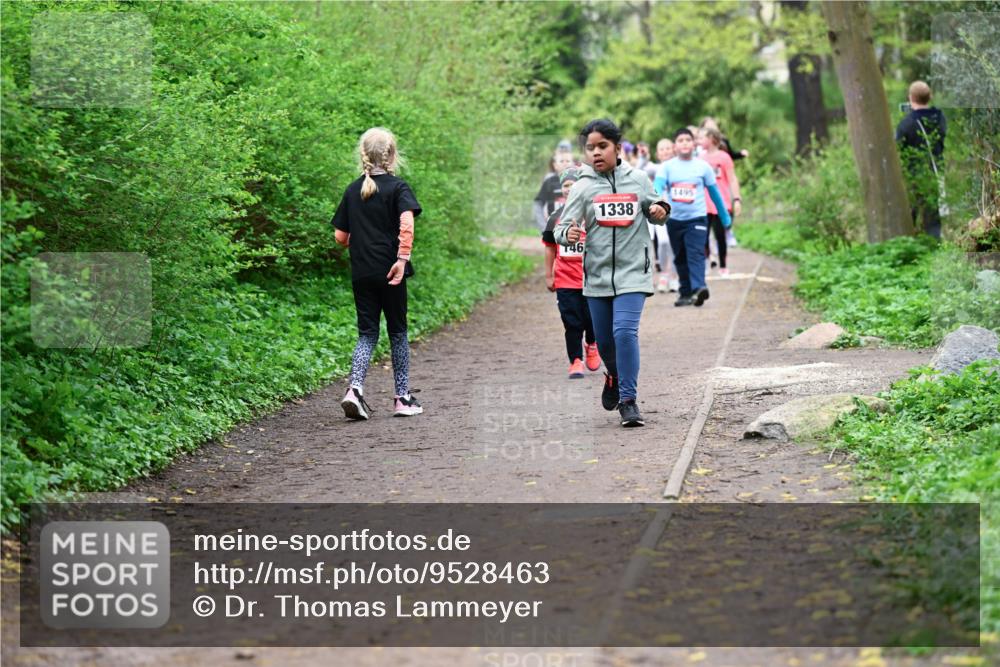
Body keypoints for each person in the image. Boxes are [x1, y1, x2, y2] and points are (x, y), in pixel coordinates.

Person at [554, 119, 670, 427]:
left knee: (624, 333)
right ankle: (615, 376)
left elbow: (658, 209)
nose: (595, 153)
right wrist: (570, 235)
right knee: (605, 342)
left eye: (602, 146)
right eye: (590, 148)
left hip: (634, 272)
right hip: (598, 276)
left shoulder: (639, 179)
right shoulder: (582, 186)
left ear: (618, 148)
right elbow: (560, 230)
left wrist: (661, 210)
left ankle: (628, 401)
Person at [332, 127, 423, 420]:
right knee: (397, 333)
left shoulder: (352, 190)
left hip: (362, 272)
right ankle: (402, 397)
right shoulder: (398, 188)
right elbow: (406, 225)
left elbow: (340, 237)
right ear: (392, 155)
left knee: (367, 333)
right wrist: (401, 258)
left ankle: (354, 390)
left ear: (363, 155)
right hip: (390, 270)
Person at [654, 128, 731, 307]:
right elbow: (657, 187)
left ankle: (699, 288)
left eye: (688, 140)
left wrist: (725, 217)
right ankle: (685, 293)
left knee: (695, 253)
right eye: (680, 140)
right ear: (675, 146)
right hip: (674, 220)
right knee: (680, 257)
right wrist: (656, 202)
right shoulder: (667, 167)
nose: (685, 143)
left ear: (693, 143)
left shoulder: (703, 167)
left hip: (697, 218)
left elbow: (715, 194)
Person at [542, 167, 602, 379]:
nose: (570, 189)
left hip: (592, 278)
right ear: (561, 189)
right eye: (566, 185)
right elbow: (550, 247)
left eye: (574, 184)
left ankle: (592, 344)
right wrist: (549, 275)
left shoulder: (593, 214)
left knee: (593, 319)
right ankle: (575, 360)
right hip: (565, 279)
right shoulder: (555, 217)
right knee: (572, 322)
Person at [895, 80, 947, 239]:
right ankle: (934, 245)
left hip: (913, 174)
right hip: (935, 170)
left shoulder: (906, 123)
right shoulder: (940, 117)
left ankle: (910, 244)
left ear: (910, 98)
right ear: (929, 96)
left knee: (910, 213)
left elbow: (898, 148)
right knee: (932, 214)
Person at [698, 127, 742, 278]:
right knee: (702, 236)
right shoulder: (700, 158)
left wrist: (737, 199)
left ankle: (723, 266)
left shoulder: (724, 157)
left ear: (711, 139)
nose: (699, 141)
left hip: (720, 204)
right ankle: (704, 263)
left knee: (720, 236)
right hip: (703, 204)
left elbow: (732, 179)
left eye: (702, 138)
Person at [533, 149, 575, 232]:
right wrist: (543, 227)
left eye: (568, 161)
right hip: (554, 230)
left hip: (574, 229)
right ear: (555, 165)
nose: (565, 163)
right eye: (561, 161)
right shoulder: (549, 182)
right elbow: (538, 204)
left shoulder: (579, 181)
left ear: (573, 163)